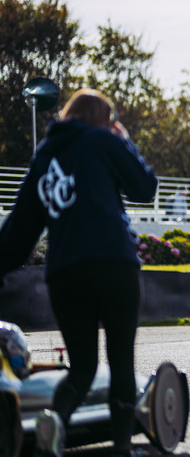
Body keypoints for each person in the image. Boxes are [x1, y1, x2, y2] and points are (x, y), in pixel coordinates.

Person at [0, 88, 158, 457]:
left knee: (82, 366)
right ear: (104, 119)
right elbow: (145, 187)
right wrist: (126, 141)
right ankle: (120, 448)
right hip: (112, 264)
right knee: (121, 362)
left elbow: (19, 233)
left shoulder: (43, 157)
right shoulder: (103, 140)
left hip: (65, 275)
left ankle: (56, 417)